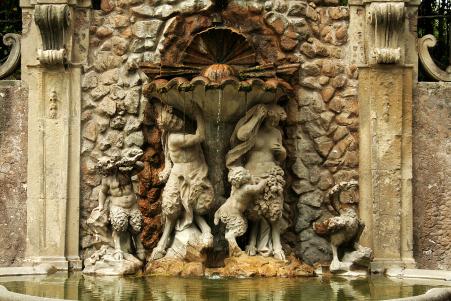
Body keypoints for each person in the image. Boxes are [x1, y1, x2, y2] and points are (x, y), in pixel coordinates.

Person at [150, 104, 214, 260]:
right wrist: (199, 114)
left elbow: (168, 157)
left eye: (173, 118)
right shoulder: (174, 137)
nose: (174, 122)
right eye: (170, 123)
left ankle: (205, 230)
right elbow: (200, 136)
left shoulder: (179, 134)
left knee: (195, 203)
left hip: (196, 172)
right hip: (180, 175)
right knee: (171, 207)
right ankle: (164, 242)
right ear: (169, 128)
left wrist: (167, 166)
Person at [226, 103, 287, 260]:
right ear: (266, 116)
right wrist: (257, 117)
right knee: (255, 211)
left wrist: (282, 152)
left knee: (274, 211)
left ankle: (277, 244)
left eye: (276, 122)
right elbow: (241, 136)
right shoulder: (254, 129)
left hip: (272, 173)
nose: (273, 124)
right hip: (253, 174)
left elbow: (281, 157)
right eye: (271, 120)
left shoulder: (276, 133)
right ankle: (252, 242)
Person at [95, 149, 145, 261]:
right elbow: (102, 192)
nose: (109, 164)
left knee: (137, 226)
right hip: (118, 206)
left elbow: (141, 167)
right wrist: (101, 205)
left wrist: (131, 161)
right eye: (106, 164)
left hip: (132, 205)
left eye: (109, 162)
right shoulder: (106, 179)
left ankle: (139, 247)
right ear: (102, 168)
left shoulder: (125, 171)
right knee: (118, 227)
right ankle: (118, 248)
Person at [214, 167, 267, 257]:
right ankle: (230, 236)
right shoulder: (246, 188)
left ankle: (233, 250)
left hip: (225, 208)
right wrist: (264, 180)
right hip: (234, 212)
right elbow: (258, 188)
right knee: (241, 227)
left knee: (232, 228)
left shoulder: (234, 188)